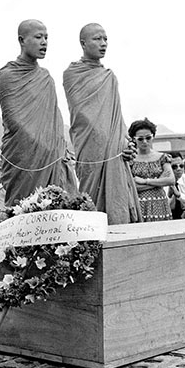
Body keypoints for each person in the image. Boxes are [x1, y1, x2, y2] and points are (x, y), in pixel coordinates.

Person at [63, 23, 142, 225]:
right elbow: (82, 114)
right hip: (90, 148)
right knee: (91, 205)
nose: (103, 43)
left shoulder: (110, 77)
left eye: (105, 39)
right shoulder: (72, 74)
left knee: (118, 204)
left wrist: (126, 143)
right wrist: (106, 140)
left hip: (116, 152)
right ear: (83, 43)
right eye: (97, 39)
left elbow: (118, 117)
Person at [0, 19, 77, 206]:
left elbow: (55, 116)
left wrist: (59, 145)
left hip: (54, 155)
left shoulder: (45, 77)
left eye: (46, 37)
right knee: (24, 208)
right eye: (38, 37)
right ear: (22, 40)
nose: (44, 42)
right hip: (25, 157)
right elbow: (13, 118)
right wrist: (44, 146)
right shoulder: (8, 75)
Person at [128, 118, 174, 221]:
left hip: (160, 203)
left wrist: (145, 181)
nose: (145, 141)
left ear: (153, 137)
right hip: (138, 203)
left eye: (148, 138)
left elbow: (171, 180)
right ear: (133, 139)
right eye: (140, 139)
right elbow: (131, 186)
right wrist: (160, 181)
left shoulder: (162, 157)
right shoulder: (130, 159)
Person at [167, 152, 185, 219]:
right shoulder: (162, 182)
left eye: (181, 166)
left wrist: (179, 195)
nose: (179, 169)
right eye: (174, 167)